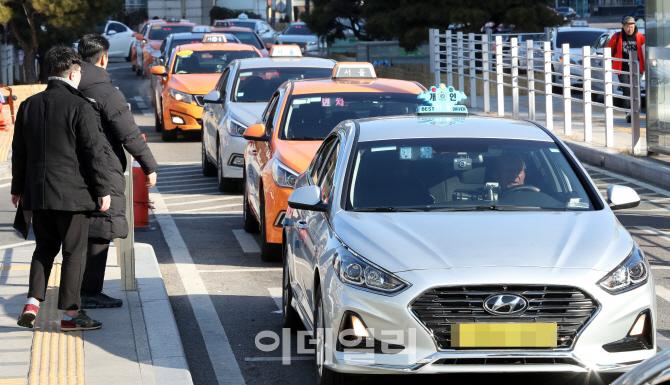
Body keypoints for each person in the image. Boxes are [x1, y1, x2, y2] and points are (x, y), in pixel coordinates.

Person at [13, 46, 111, 331]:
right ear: (72, 73)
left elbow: (19, 151)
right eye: (79, 72)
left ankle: (32, 302)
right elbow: (93, 152)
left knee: (43, 248)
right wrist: (103, 190)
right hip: (73, 195)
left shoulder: (28, 105)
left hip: (37, 193)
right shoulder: (80, 106)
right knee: (73, 253)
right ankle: (70, 315)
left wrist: (18, 189)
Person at [77, 34, 158, 309]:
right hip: (103, 168)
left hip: (70, 169)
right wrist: (149, 165)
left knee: (80, 230)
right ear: (103, 58)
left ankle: (75, 288)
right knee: (101, 227)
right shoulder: (106, 92)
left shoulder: (71, 88)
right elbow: (129, 133)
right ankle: (89, 291)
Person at [606, 16, 645, 121]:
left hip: (637, 68)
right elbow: (607, 50)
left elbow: (645, 52)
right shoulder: (617, 36)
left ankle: (636, 111)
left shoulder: (640, 37)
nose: (630, 29)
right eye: (627, 26)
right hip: (622, 69)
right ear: (623, 26)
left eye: (632, 26)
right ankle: (629, 113)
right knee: (627, 90)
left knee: (636, 90)